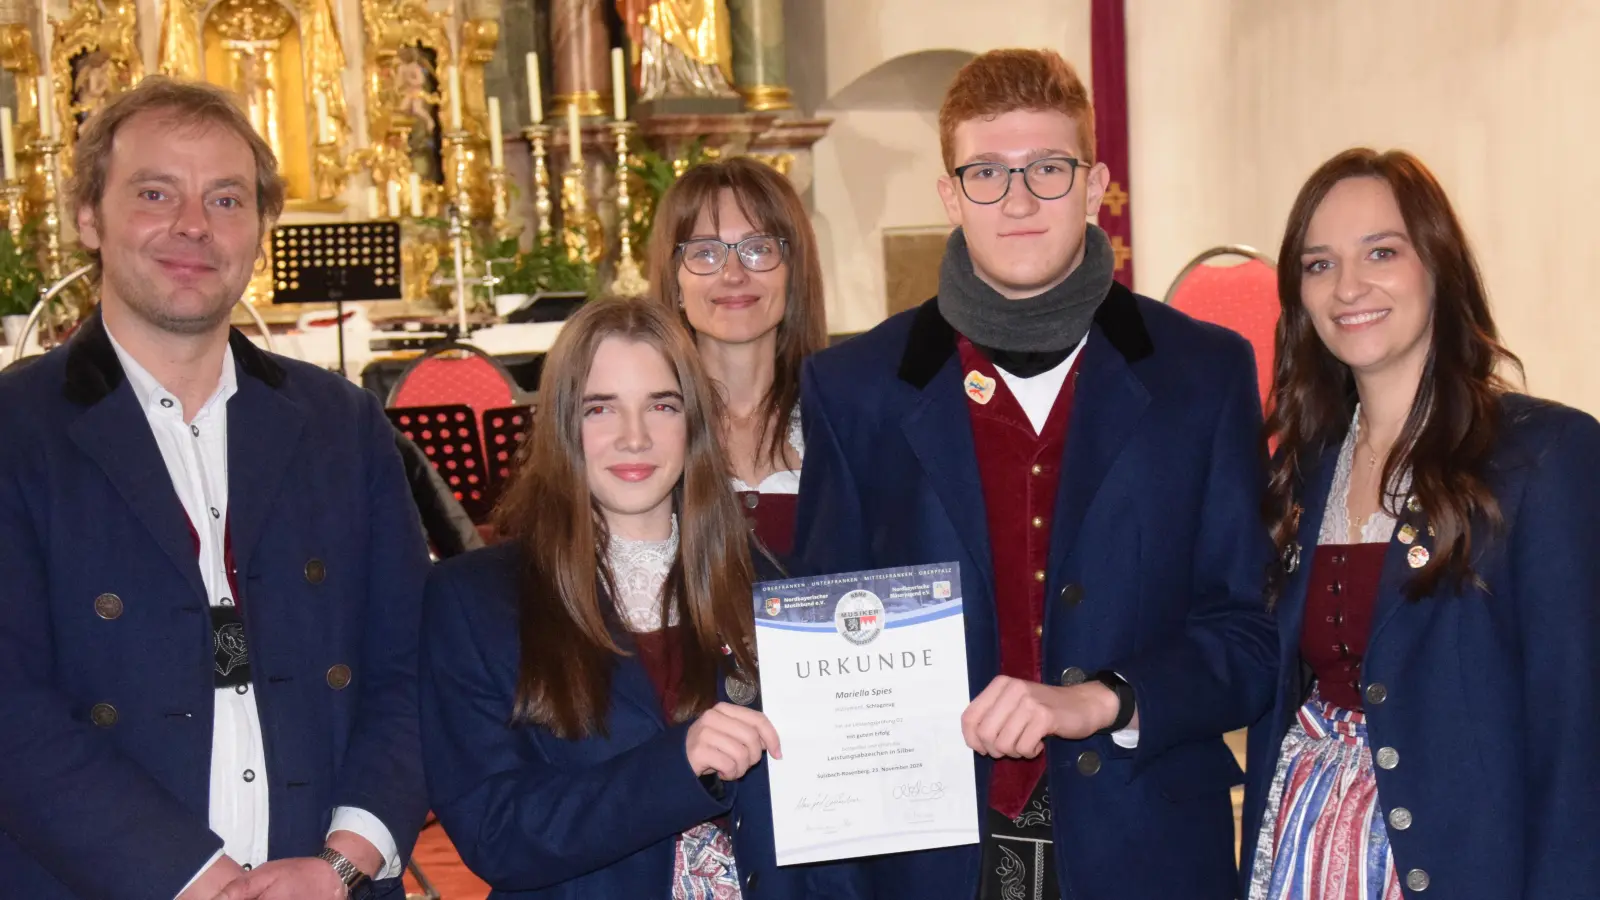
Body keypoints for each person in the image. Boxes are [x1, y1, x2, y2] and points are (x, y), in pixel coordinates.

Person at [791, 48, 1276, 899]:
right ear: (949, 195)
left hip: (1148, 844)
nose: (1016, 200)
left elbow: (1247, 635)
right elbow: (827, 647)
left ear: (1093, 187)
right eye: (986, 172)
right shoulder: (855, 389)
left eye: (1047, 169)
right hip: (931, 854)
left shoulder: (1203, 374)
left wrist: (1107, 698)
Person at [0, 77, 430, 900]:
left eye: (227, 199)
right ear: (88, 217)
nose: (193, 225)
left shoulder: (343, 425)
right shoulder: (16, 431)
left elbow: (411, 666)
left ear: (263, 230)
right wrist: (190, 876)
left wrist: (345, 857)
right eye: (155, 192)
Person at [1242, 148, 1600, 900]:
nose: (1348, 287)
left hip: (1469, 863)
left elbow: (1579, 738)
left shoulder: (1543, 456)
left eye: (1381, 252)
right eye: (1318, 264)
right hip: (1304, 850)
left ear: (1438, 265)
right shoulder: (1305, 469)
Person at [419, 296, 856, 899]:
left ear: (693, 425)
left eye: (662, 406)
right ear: (563, 424)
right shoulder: (474, 602)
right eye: (601, 409)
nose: (634, 437)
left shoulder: (774, 590)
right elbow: (495, 832)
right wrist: (677, 765)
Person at [648, 156, 827, 557]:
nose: (733, 274)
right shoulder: (645, 426)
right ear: (676, 282)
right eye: (706, 253)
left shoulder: (846, 417)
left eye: (759, 249)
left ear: (792, 273)